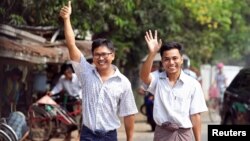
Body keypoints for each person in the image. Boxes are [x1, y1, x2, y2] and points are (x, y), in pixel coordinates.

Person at [59, 1, 138, 141]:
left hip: (109, 136)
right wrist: (67, 19)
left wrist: (129, 140)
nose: (101, 58)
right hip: (88, 135)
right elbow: (71, 45)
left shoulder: (123, 82)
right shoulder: (85, 72)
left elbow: (129, 114)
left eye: (104, 54)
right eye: (97, 55)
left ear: (112, 55)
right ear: (93, 56)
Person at [140, 30, 208, 141]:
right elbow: (144, 76)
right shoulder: (157, 79)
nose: (171, 62)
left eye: (175, 58)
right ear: (162, 61)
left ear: (181, 60)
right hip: (162, 134)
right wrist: (152, 53)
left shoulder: (192, 84)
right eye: (167, 59)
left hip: (184, 135)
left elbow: (195, 116)